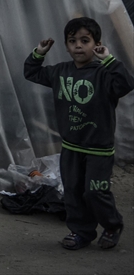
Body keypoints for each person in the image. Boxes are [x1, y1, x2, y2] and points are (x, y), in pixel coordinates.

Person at [25, 17, 132, 250]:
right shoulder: (60, 71)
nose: (78, 46)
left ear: (97, 44)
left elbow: (126, 84)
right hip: (71, 148)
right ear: (66, 45)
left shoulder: (104, 74)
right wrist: (39, 52)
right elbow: (31, 73)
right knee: (73, 193)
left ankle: (112, 225)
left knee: (95, 192)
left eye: (85, 40)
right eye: (72, 41)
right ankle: (81, 232)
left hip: (98, 149)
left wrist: (109, 60)